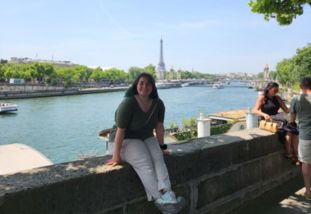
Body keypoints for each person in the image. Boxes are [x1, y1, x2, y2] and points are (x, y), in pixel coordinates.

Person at [106, 73, 185, 213]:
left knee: (158, 156)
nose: (144, 86)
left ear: (153, 87)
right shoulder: (128, 103)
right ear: (136, 85)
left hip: (144, 137)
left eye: (148, 83)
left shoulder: (158, 104)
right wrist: (116, 157)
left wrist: (162, 147)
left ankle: (168, 193)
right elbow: (120, 131)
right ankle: (159, 199)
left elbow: (159, 128)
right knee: (144, 159)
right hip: (123, 140)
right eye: (141, 83)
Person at [253, 82, 299, 163]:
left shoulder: (277, 98)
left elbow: (286, 110)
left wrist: (295, 108)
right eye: (275, 90)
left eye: (277, 90)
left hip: (277, 117)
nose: (276, 92)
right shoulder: (262, 98)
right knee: (289, 129)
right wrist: (264, 114)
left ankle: (293, 154)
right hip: (268, 119)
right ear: (269, 89)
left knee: (292, 131)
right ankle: (292, 154)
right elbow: (255, 110)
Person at [289, 77, 311, 200]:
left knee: (306, 163)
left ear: (301, 86)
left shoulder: (296, 99)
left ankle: (308, 191)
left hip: (306, 136)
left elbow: (292, 119)